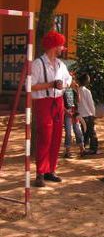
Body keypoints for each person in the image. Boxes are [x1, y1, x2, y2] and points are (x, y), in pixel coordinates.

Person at [31, 30, 72, 187]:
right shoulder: (38, 64)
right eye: (61, 45)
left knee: (56, 137)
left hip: (58, 101)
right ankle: (40, 172)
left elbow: (68, 79)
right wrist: (50, 84)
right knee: (45, 137)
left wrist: (65, 84)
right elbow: (31, 86)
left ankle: (50, 170)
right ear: (54, 46)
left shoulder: (61, 64)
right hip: (43, 102)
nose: (63, 48)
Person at [63, 76, 85, 158]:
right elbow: (61, 103)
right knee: (68, 132)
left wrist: (78, 90)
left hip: (74, 113)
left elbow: (78, 101)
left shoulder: (73, 91)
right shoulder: (64, 91)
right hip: (68, 113)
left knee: (77, 130)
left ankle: (82, 149)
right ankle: (67, 151)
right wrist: (66, 111)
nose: (74, 81)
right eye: (73, 80)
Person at [77, 73, 99, 155]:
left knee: (84, 132)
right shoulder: (87, 91)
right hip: (88, 115)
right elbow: (91, 104)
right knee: (92, 132)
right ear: (86, 81)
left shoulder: (77, 90)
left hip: (81, 115)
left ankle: (83, 147)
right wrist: (94, 114)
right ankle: (93, 148)